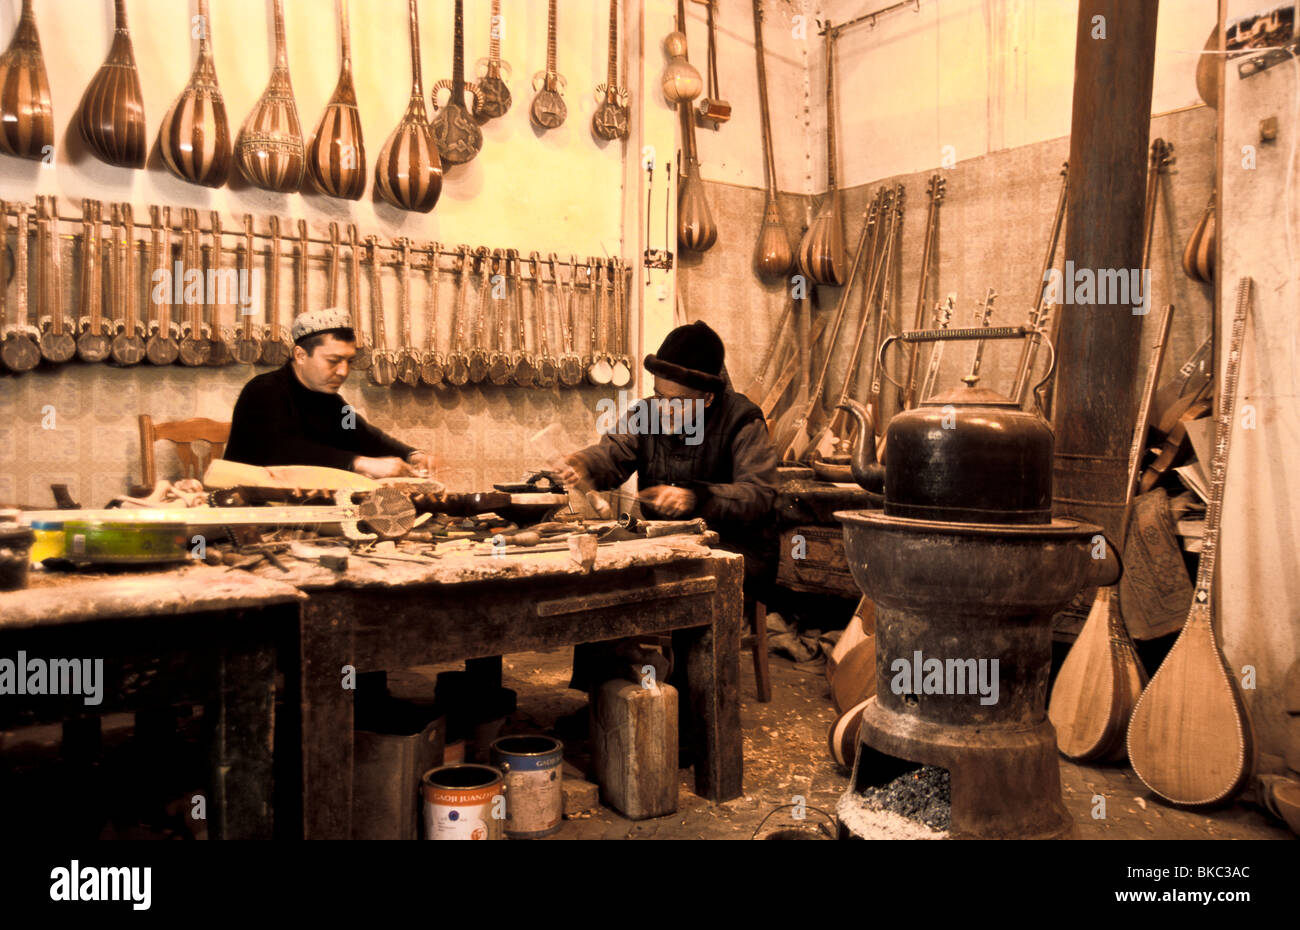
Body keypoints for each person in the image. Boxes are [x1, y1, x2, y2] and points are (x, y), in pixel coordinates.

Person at [558, 320, 779, 703]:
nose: (664, 408)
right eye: (660, 395)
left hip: (733, 546)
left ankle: (694, 714)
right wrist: (584, 465)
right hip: (667, 540)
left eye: (678, 402)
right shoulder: (649, 413)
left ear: (708, 398)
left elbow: (759, 495)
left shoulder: (742, 419)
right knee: (600, 575)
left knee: (690, 589)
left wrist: (697, 498)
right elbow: (614, 452)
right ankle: (609, 701)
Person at [224, 307, 433, 479]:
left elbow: (364, 436)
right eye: (333, 361)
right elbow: (281, 451)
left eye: (348, 361)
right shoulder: (262, 391)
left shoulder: (332, 402)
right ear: (300, 355)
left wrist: (411, 454)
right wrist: (358, 463)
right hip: (248, 509)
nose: (343, 371)